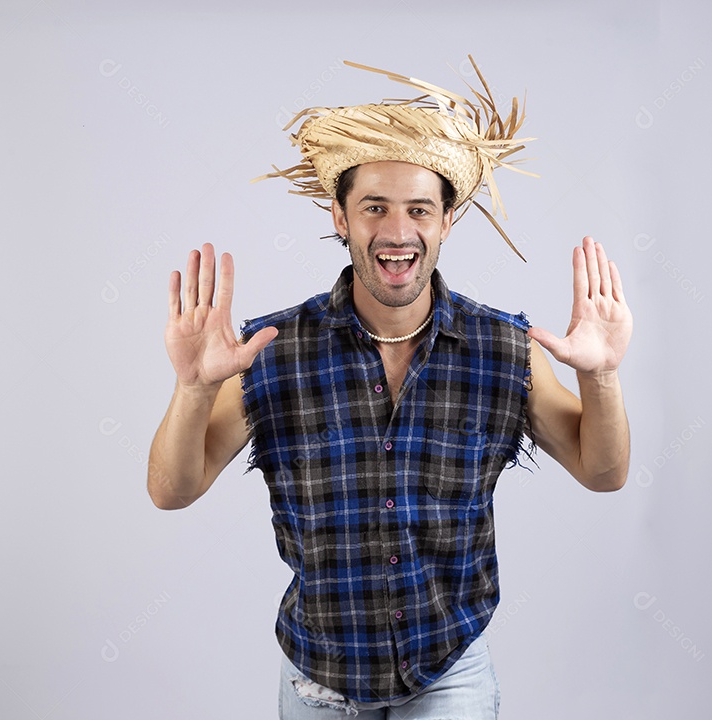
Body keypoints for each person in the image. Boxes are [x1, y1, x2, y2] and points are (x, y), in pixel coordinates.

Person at [147, 58, 632, 719]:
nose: (398, 232)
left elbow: (603, 472)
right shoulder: (270, 352)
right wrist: (194, 388)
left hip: (448, 668)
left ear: (446, 222)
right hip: (319, 675)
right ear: (340, 217)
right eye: (374, 208)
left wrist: (599, 375)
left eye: (418, 209)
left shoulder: (502, 349)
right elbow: (172, 490)